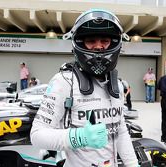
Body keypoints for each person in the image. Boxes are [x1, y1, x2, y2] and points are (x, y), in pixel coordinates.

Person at [30, 9, 138, 167]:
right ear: (79, 43)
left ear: (115, 43)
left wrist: (132, 164)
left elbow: (120, 130)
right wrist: (79, 137)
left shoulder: (117, 85)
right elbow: (37, 135)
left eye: (104, 40)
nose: (98, 47)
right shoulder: (64, 81)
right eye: (91, 40)